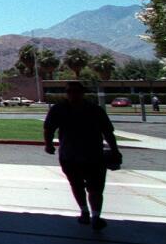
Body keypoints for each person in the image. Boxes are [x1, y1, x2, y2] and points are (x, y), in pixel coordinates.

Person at [44, 80, 119, 230]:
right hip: (70, 156)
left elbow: (108, 132)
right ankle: (85, 212)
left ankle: (95, 216)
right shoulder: (59, 109)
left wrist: (115, 150)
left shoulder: (94, 110)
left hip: (93, 156)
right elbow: (49, 128)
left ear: (82, 93)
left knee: (95, 188)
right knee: (77, 185)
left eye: (76, 91)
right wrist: (49, 144)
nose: (73, 94)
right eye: (70, 91)